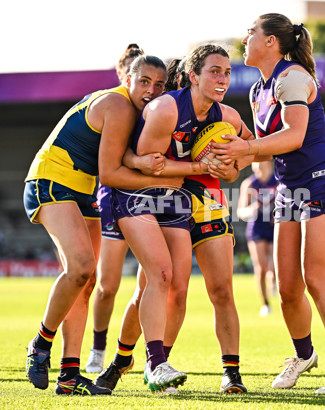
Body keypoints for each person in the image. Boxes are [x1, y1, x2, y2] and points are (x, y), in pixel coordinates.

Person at [211, 13, 325, 393]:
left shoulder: (292, 76)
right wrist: (225, 161)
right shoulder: (257, 89)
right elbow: (266, 150)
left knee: (316, 277)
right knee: (288, 289)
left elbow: (294, 136)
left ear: (270, 43)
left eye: (251, 33)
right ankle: (305, 354)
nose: (244, 39)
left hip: (322, 183)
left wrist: (246, 148)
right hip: (288, 189)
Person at [96, 43, 255, 394]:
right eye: (215, 71)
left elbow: (248, 151)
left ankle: (228, 373)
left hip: (208, 199)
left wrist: (231, 167)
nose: (223, 78)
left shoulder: (226, 116)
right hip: (165, 196)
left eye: (227, 72)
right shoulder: (167, 109)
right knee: (165, 286)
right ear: (192, 76)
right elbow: (149, 162)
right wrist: (201, 166)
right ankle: (124, 359)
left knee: (221, 290)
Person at [23, 54, 176, 395]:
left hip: (82, 190)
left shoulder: (139, 112)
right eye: (144, 82)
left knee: (86, 280)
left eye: (159, 85)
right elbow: (110, 173)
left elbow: (120, 160)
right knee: (80, 267)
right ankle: (40, 343)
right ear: (128, 81)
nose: (151, 90)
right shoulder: (119, 106)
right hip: (52, 181)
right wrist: (169, 179)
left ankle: (69, 376)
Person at [85, 43, 144, 374]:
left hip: (148, 199)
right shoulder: (113, 104)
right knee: (107, 285)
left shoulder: (154, 107)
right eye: (133, 76)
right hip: (112, 197)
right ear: (123, 76)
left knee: (155, 282)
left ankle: (151, 355)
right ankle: (97, 348)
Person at [237, 160, 277, 317]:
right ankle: (265, 304)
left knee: (274, 266)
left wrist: (278, 214)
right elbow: (241, 211)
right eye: (256, 162)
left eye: (262, 161)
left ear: (270, 163)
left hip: (275, 227)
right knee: (261, 268)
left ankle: (272, 280)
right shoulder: (249, 184)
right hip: (257, 227)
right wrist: (252, 209)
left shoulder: (278, 181)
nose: (259, 165)